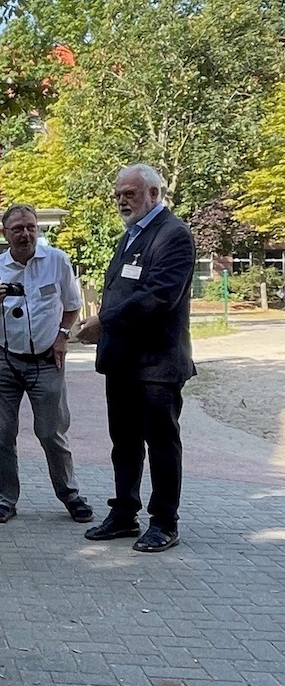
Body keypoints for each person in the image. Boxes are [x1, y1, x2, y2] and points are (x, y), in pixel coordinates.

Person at [76, 164, 197, 553]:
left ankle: (164, 521)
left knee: (161, 444)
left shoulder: (173, 235)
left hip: (157, 365)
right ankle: (124, 513)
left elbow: (159, 296)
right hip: (124, 362)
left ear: (154, 194)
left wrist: (103, 322)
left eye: (129, 193)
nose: (122, 200)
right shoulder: (131, 236)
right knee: (124, 442)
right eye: (118, 195)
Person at [0, 205, 92, 525]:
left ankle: (70, 494)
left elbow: (72, 306)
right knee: (1, 434)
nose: (25, 234)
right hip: (4, 361)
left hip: (47, 361)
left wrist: (63, 336)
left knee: (52, 432)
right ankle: (6, 499)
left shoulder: (57, 262)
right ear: (5, 234)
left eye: (30, 227)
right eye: (17, 229)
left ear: (37, 229)